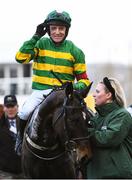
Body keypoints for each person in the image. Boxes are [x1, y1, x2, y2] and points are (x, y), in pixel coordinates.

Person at [15, 10, 91, 155]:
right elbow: (20, 58)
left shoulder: (76, 51)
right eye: (53, 28)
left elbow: (84, 81)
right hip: (41, 92)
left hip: (64, 94)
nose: (57, 32)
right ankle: (20, 139)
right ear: (48, 30)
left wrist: (71, 87)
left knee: (88, 116)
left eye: (61, 28)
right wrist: (35, 36)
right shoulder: (39, 44)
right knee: (24, 113)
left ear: (66, 30)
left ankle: (85, 149)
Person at [86, 77, 132, 179]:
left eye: (97, 92)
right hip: (94, 175)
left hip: (116, 175)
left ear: (108, 95)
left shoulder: (122, 115)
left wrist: (84, 131)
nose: (93, 95)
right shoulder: (95, 118)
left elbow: (107, 139)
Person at [0, 95, 22, 176]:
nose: (10, 109)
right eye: (8, 106)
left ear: (17, 106)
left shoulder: (26, 124)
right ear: (4, 108)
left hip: (24, 171)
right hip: (4, 172)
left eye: (12, 106)